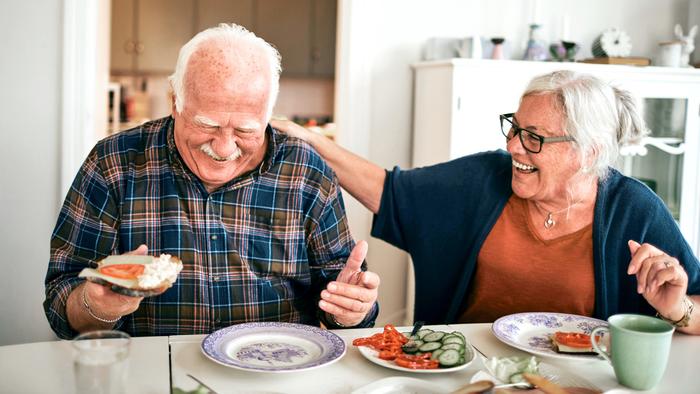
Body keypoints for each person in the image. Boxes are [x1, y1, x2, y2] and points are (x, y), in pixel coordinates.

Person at [272, 70, 700, 334]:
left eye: (534, 137)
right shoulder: (484, 179)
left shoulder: (634, 208)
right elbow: (388, 191)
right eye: (514, 128)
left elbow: (694, 307)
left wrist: (676, 308)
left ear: (588, 151)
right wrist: (311, 139)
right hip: (466, 375)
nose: (514, 146)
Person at [44, 24, 379, 339]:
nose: (223, 148)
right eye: (207, 125)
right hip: (156, 372)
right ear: (175, 102)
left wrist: (351, 311)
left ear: (268, 114)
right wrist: (96, 306)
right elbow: (61, 304)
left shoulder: (306, 170)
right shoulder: (113, 163)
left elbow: (345, 301)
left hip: (278, 370)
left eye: (246, 130)